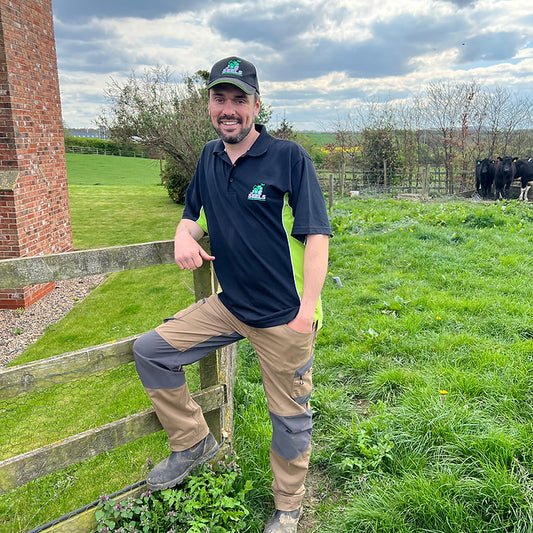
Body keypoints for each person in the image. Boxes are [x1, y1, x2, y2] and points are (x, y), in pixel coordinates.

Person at [133, 56, 331, 533]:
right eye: (220, 99)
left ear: (256, 106)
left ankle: (288, 506)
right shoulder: (209, 156)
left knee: (288, 419)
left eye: (239, 100)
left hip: (284, 315)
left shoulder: (289, 158)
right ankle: (193, 441)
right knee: (151, 352)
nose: (229, 109)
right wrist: (184, 235)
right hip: (230, 306)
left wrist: (305, 313)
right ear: (209, 105)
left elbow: (317, 237)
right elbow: (193, 211)